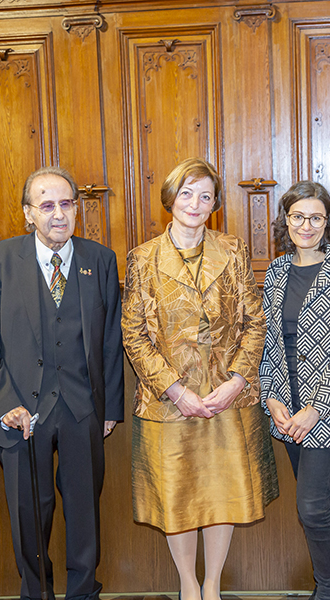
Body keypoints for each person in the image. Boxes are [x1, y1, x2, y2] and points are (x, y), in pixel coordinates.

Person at [121, 157, 277, 600]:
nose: (195, 203)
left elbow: (255, 323)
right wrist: (174, 389)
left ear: (215, 204)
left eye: (205, 195)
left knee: (221, 492)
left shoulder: (233, 249)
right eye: (187, 193)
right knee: (179, 494)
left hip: (226, 397)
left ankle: (213, 585)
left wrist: (238, 382)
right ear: (171, 198)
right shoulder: (143, 258)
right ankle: (188, 584)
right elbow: (133, 334)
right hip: (169, 401)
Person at [0, 165, 124, 600]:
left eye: (67, 203)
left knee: (83, 512)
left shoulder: (100, 259)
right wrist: (4, 405)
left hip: (81, 410)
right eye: (47, 205)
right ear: (28, 213)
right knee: (28, 513)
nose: (59, 214)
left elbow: (110, 341)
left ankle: (83, 592)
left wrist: (109, 409)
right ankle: (36, 594)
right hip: (20, 413)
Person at [258, 181, 330, 600]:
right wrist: (272, 399)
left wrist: (316, 408)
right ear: (286, 221)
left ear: (329, 222)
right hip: (286, 408)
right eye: (298, 216)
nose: (307, 225)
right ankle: (329, 588)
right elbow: (268, 343)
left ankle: (327, 591)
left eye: (316, 217)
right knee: (316, 504)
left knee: (311, 506)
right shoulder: (275, 271)